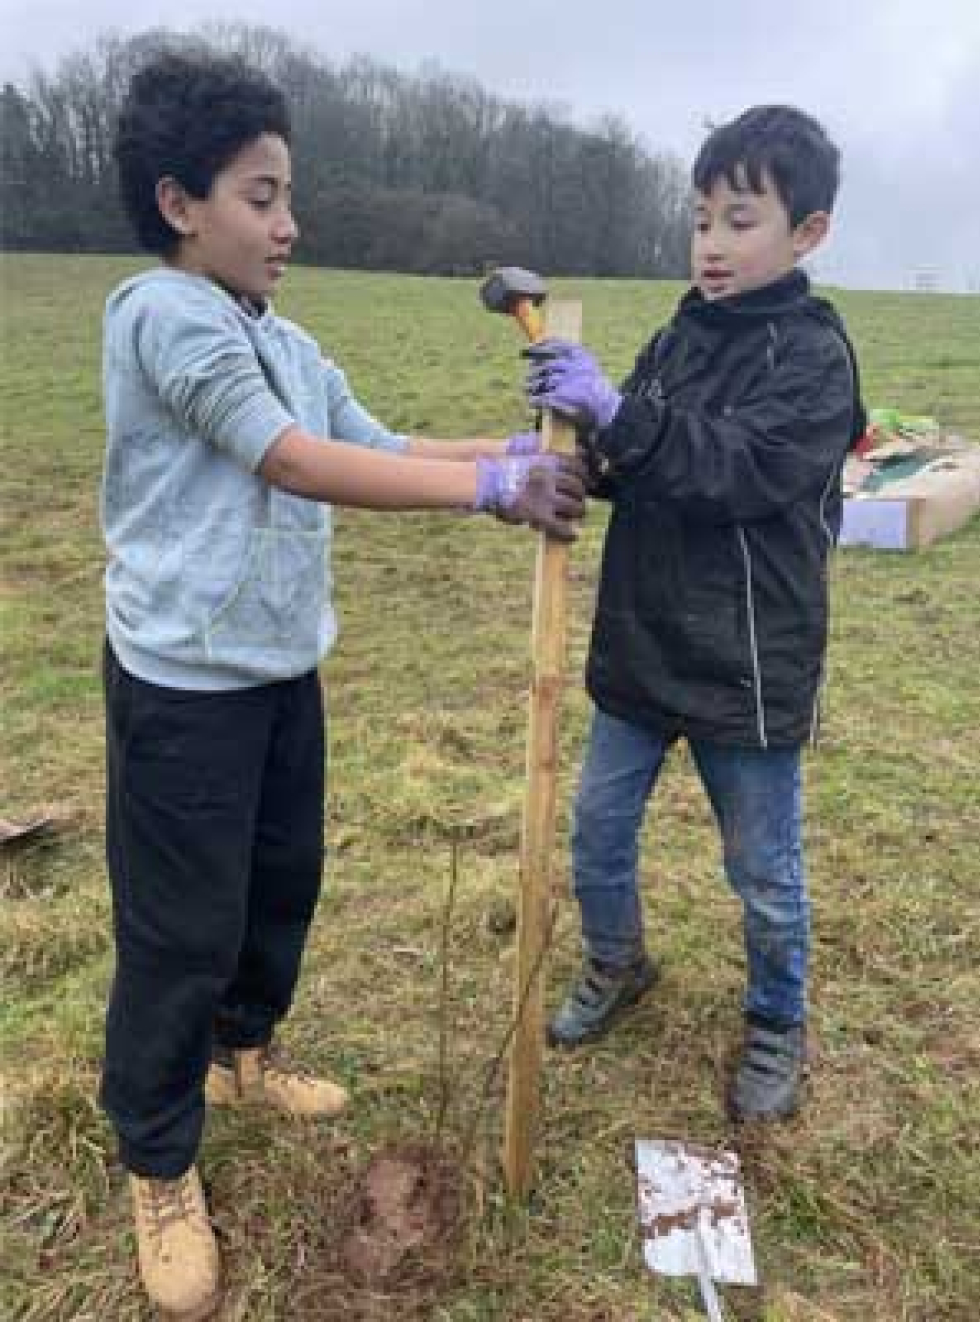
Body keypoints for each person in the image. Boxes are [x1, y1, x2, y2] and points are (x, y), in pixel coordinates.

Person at [101, 50, 585, 1320]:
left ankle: (242, 1055)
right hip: (180, 684)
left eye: (287, 193)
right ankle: (157, 1157)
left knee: (280, 881)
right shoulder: (157, 317)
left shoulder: (286, 337)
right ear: (176, 203)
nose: (289, 222)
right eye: (260, 195)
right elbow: (294, 463)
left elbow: (375, 444)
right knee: (177, 926)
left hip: (276, 665)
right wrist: (487, 490)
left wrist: (526, 444)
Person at [526, 105, 865, 1125]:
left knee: (760, 868)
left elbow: (738, 468)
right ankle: (616, 961)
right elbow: (643, 455)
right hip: (641, 638)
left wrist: (625, 416)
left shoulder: (812, 358)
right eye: (700, 219)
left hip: (747, 658)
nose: (710, 243)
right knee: (595, 831)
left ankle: (773, 1018)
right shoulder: (678, 332)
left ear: (805, 233)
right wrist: (569, 444)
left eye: (739, 219)